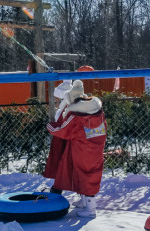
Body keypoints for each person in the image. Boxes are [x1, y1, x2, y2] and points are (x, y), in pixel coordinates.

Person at [45, 79, 107, 217]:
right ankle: (85, 202)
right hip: (96, 150)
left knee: (83, 174)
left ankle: (90, 210)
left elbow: (63, 130)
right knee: (91, 174)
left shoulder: (76, 117)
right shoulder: (98, 113)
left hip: (81, 151)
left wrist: (50, 126)